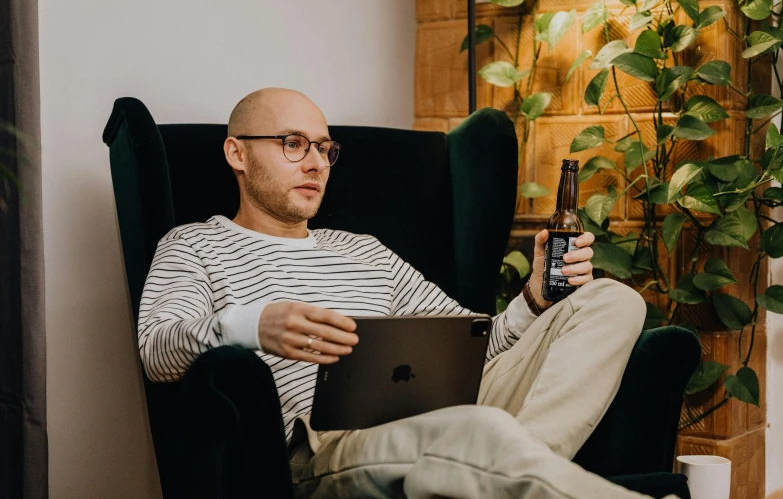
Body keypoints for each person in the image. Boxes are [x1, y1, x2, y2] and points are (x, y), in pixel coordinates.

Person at [138, 88, 660, 498]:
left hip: (444, 412)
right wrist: (251, 326)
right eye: (293, 144)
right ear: (237, 152)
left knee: (613, 300)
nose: (317, 163)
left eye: (324, 148)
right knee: (477, 430)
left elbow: (477, 342)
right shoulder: (196, 244)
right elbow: (157, 351)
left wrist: (534, 298)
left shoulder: (364, 250)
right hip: (327, 444)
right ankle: (503, 468)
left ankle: (506, 473)